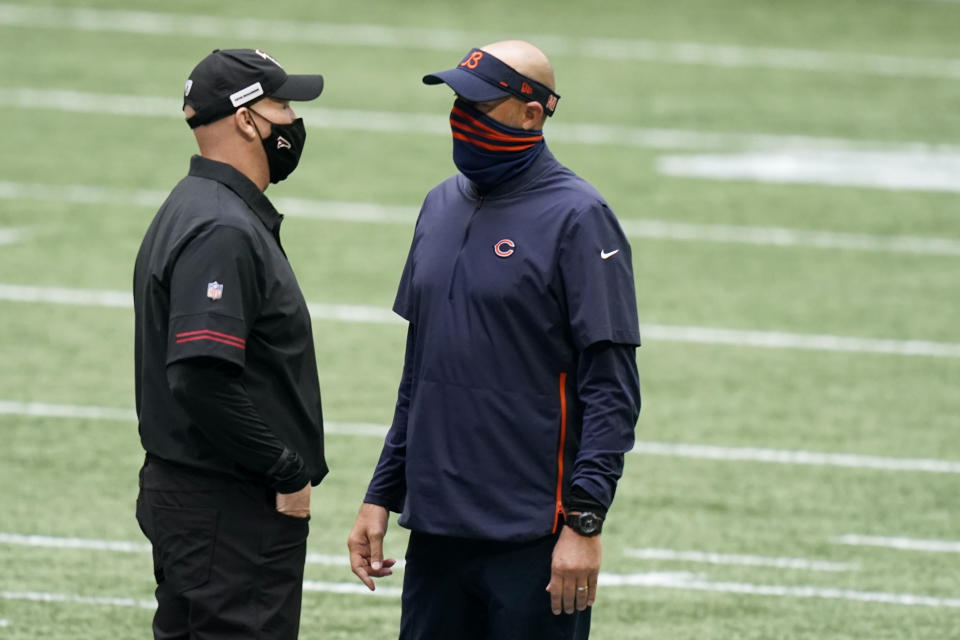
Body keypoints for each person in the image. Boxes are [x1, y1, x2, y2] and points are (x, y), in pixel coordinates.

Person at [347, 41, 642, 640]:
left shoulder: (580, 218)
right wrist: (381, 492)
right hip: (435, 532)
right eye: (458, 101)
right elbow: (419, 372)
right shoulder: (438, 205)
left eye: (480, 103)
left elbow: (612, 388)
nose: (462, 116)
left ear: (532, 113)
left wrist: (584, 523)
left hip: (531, 538)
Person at [133, 48, 328, 639]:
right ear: (247, 120)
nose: (293, 120)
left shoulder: (200, 207)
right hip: (229, 506)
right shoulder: (221, 227)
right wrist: (286, 473)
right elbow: (200, 374)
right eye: (283, 105)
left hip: (205, 502)